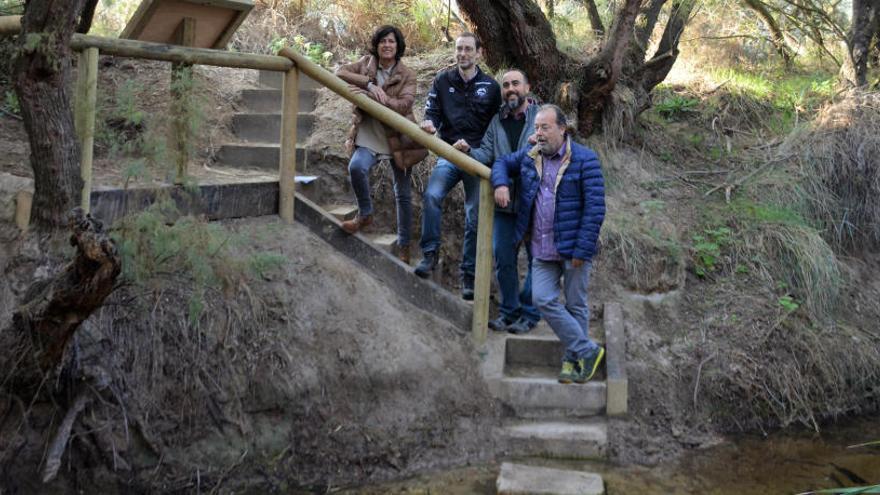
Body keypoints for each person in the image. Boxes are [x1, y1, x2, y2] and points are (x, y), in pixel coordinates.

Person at [491, 104, 606, 384]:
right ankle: (587, 350)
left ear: (562, 129)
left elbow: (595, 209)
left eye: (545, 127)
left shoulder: (585, 160)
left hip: (573, 248)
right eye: (537, 128)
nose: (539, 133)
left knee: (576, 305)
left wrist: (582, 249)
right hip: (542, 248)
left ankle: (572, 361)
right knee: (542, 299)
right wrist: (501, 184)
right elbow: (502, 163)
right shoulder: (531, 156)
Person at [413, 32, 501, 300]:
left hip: (477, 160)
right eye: (459, 49)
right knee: (432, 196)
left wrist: (477, 150)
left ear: (478, 53)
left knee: (475, 216)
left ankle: (468, 276)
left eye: (468, 49)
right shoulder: (443, 81)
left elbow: (497, 127)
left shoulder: (491, 85)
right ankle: (430, 255)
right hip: (449, 154)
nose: (462, 54)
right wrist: (429, 124)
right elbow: (432, 113)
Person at [452, 69, 541, 333]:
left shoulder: (541, 116)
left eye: (515, 83)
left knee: (538, 259)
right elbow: (486, 154)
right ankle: (509, 312)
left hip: (535, 201)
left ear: (527, 86)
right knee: (503, 259)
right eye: (505, 85)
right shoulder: (497, 120)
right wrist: (469, 150)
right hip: (503, 204)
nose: (510, 89)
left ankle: (530, 313)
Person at [335, 25, 427, 264]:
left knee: (403, 194)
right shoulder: (367, 64)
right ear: (377, 45)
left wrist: (382, 100)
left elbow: (405, 105)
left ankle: (404, 245)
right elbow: (340, 72)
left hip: (398, 136)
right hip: (369, 134)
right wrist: (368, 85)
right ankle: (365, 214)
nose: (387, 45)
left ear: (398, 47)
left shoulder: (408, 74)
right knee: (356, 167)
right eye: (383, 41)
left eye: (392, 42)